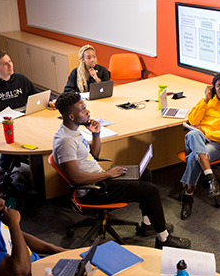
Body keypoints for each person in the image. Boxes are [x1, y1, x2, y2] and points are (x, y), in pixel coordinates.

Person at [52, 91, 191, 249]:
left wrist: (96, 134)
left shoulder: (73, 131)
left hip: (99, 179)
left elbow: (94, 155)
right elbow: (75, 178)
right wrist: (108, 174)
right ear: (71, 116)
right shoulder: (65, 141)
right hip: (93, 190)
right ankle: (163, 239)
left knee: (145, 173)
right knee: (150, 191)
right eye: (83, 110)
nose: (88, 111)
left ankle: (148, 224)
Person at [180, 73, 220, 219]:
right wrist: (206, 100)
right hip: (197, 139)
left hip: (215, 144)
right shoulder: (207, 102)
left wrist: (205, 131)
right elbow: (192, 120)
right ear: (213, 88)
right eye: (219, 86)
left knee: (193, 158)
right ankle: (209, 175)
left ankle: (188, 196)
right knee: (193, 134)